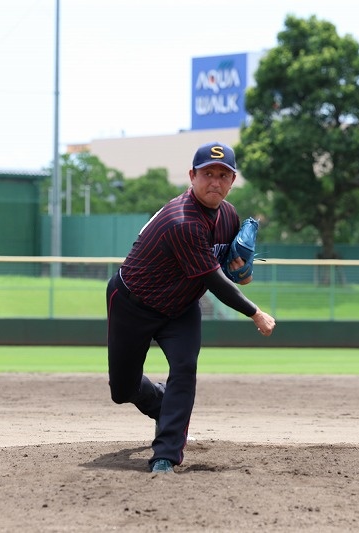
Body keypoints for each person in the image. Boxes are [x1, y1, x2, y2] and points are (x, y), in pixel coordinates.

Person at [105, 141, 276, 474]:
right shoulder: (182, 220)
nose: (215, 181)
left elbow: (231, 270)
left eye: (223, 175)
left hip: (181, 306)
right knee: (123, 390)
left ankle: (166, 454)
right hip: (133, 303)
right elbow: (214, 280)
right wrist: (255, 312)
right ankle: (162, 403)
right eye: (208, 173)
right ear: (192, 176)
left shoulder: (228, 215)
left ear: (232, 180)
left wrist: (242, 270)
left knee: (184, 368)